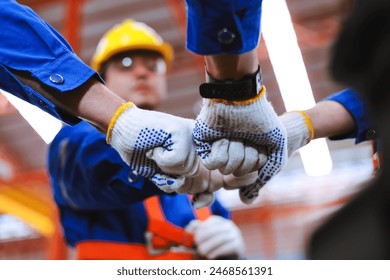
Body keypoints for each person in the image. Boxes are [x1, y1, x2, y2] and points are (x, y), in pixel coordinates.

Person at [47, 19, 248, 260]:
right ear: (102, 79)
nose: (142, 72)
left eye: (153, 66)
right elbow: (92, 167)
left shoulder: (190, 155)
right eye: (126, 64)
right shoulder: (75, 141)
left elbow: (216, 213)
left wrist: (228, 243)